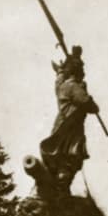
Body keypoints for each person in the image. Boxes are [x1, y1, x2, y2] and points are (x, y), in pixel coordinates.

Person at [40, 45, 99, 186]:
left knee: (60, 161)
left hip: (61, 126)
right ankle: (62, 189)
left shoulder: (62, 86)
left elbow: (59, 79)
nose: (83, 73)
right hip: (70, 130)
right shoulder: (73, 87)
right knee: (68, 161)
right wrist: (88, 95)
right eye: (81, 70)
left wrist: (60, 71)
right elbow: (91, 106)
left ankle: (57, 185)